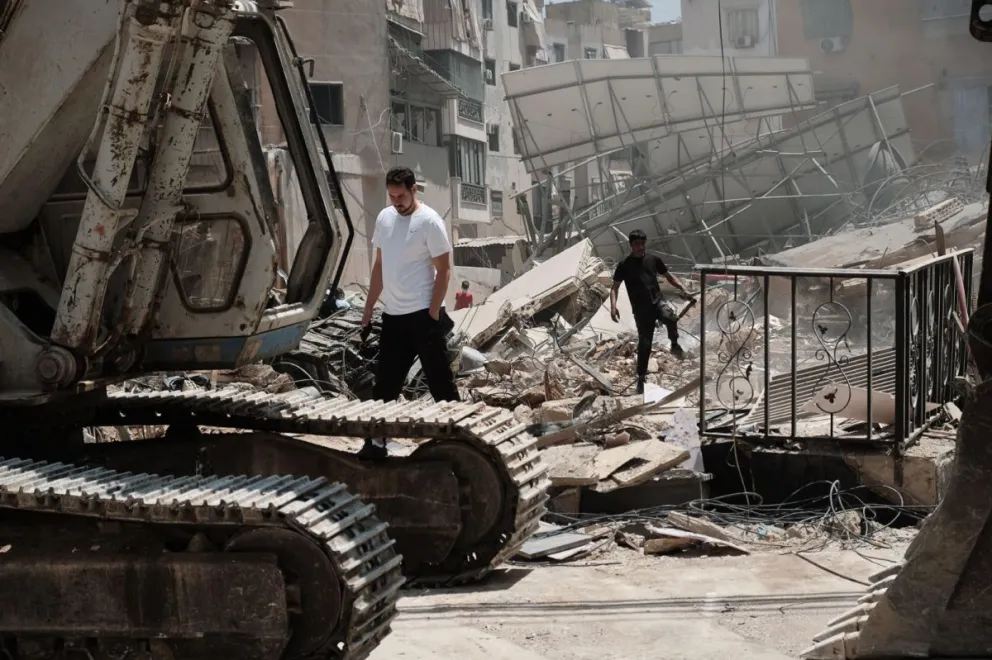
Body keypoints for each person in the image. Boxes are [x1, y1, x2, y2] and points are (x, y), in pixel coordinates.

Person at [359, 166, 460, 459]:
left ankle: (459, 443)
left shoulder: (429, 222)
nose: (396, 201)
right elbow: (379, 266)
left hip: (424, 317)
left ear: (414, 189)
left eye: (401, 195)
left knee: (441, 383)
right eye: (391, 196)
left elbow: (444, 271)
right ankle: (376, 444)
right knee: (385, 385)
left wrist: (431, 314)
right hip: (393, 318)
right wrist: (368, 310)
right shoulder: (384, 218)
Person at [610, 229, 692, 395]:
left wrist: (682, 288)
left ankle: (674, 344)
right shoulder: (624, 265)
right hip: (641, 310)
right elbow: (615, 288)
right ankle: (641, 379)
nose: (640, 247)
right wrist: (613, 306)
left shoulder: (653, 260)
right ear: (631, 245)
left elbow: (669, 276)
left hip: (657, 302)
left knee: (670, 317)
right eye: (636, 244)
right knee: (645, 344)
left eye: (642, 244)